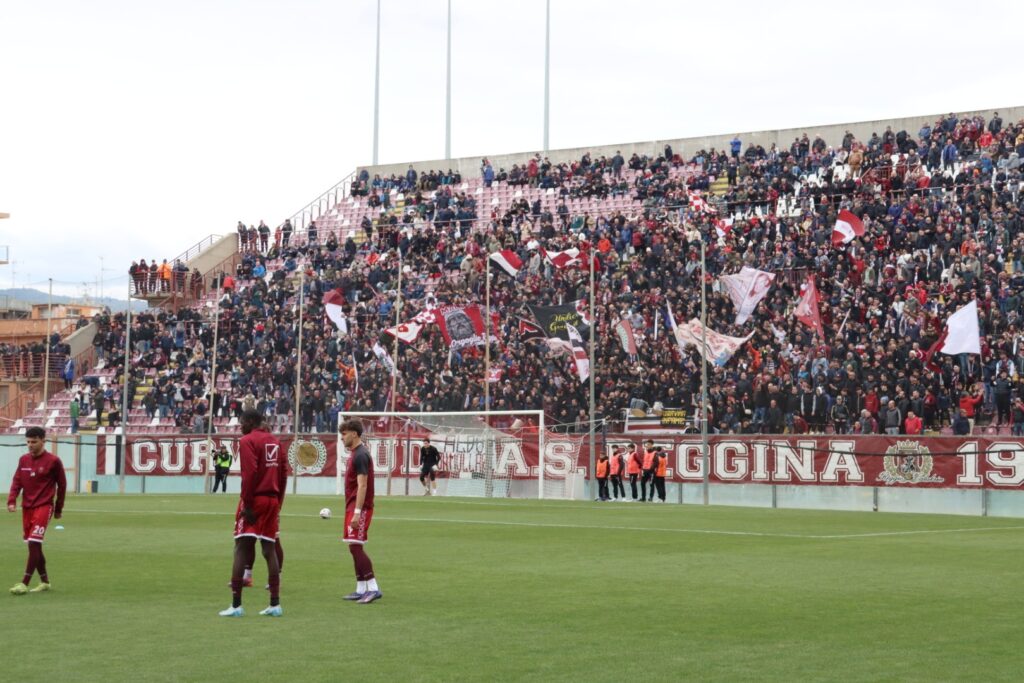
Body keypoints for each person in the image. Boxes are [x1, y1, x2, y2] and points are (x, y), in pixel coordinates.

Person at [220, 410, 286, 617]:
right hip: (272, 500)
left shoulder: (248, 440)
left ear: (250, 422)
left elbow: (249, 473)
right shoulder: (275, 442)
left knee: (241, 547)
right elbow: (283, 475)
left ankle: (236, 605)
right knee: (269, 549)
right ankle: (275, 604)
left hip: (254, 500)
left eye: (242, 422)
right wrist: (278, 504)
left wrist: (247, 505)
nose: (241, 426)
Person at [8, 427, 66, 595]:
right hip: (27, 508)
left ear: (43, 440)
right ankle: (45, 581)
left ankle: (24, 582)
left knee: (34, 542)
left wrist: (58, 508)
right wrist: (12, 500)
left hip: (44, 506)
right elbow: (17, 481)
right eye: (28, 442)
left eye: (34, 442)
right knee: (34, 546)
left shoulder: (54, 461)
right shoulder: (23, 460)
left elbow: (62, 486)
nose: (30, 445)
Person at [339, 419, 382, 604]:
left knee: (356, 546)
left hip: (360, 507)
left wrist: (357, 511)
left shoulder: (361, 455)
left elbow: (363, 485)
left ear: (354, 434)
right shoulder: (355, 453)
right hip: (352, 506)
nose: (342, 438)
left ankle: (373, 588)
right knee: (353, 546)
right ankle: (360, 588)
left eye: (344, 434)